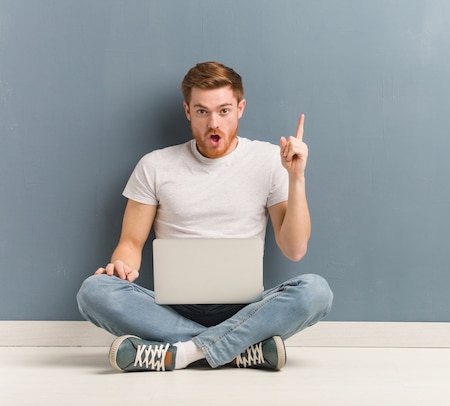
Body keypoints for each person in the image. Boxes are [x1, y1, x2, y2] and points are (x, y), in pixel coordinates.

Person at [76, 61, 333, 372]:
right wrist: (121, 268)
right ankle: (238, 351)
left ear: (240, 108)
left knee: (316, 292)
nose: (214, 123)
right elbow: (130, 243)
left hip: (246, 310)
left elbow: (295, 249)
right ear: (187, 111)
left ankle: (181, 353)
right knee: (94, 291)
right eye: (202, 112)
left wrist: (296, 178)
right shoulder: (155, 165)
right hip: (170, 309)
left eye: (224, 111)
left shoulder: (269, 161)